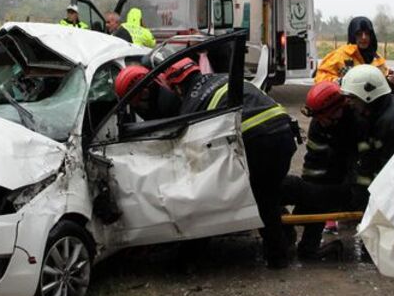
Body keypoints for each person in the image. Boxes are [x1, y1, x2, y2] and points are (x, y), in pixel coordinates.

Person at [114, 57, 297, 268]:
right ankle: (287, 237)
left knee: (257, 198)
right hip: (284, 134)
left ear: (176, 85)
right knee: (267, 190)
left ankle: (278, 258)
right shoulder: (219, 78)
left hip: (261, 141)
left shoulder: (191, 104)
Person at [281, 81, 361, 260]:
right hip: (329, 185)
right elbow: (313, 163)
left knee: (317, 198)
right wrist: (306, 195)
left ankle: (307, 247)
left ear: (341, 107)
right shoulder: (319, 125)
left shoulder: (358, 123)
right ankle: (301, 244)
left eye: (324, 117)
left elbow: (361, 165)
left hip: (351, 188)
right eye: (317, 118)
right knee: (286, 186)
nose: (320, 122)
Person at [315, 16, 394, 92]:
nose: (364, 37)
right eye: (359, 34)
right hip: (347, 105)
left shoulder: (377, 59)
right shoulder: (339, 55)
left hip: (374, 107)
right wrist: (341, 82)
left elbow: (385, 87)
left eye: (367, 33)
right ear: (353, 35)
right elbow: (320, 79)